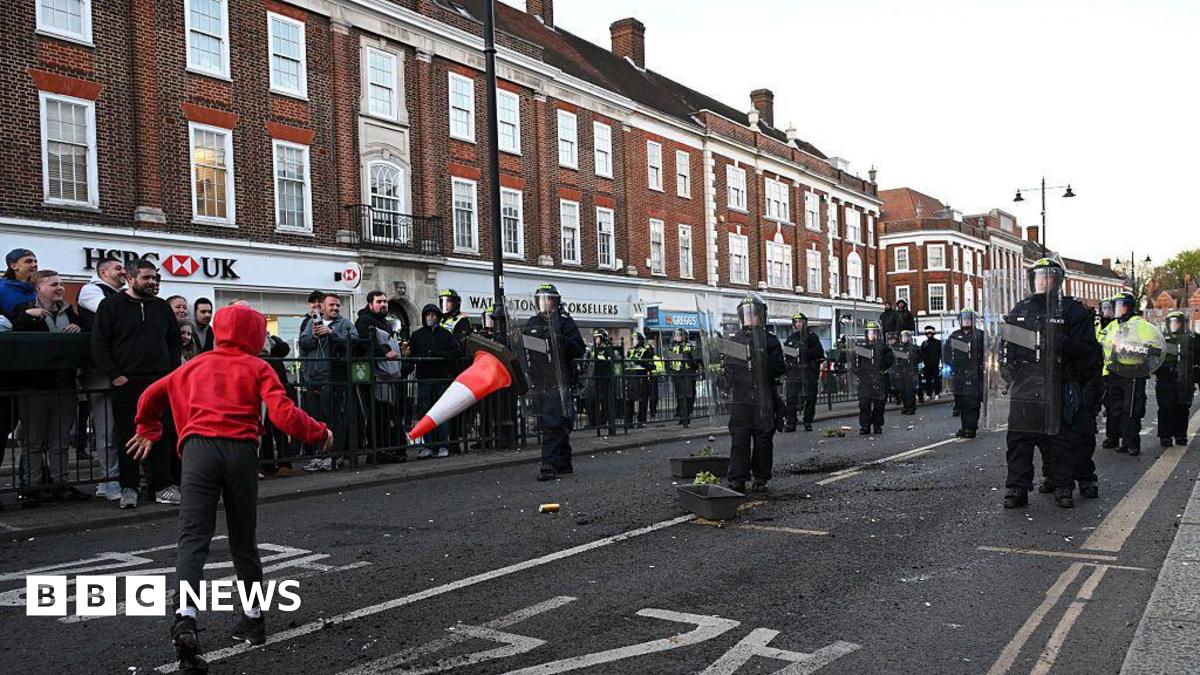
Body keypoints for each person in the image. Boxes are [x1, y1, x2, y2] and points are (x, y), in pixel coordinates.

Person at [125, 303, 332, 673]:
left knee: (192, 539)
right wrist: (319, 433)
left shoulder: (191, 366)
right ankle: (254, 620)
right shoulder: (258, 366)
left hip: (197, 451)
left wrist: (148, 428)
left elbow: (149, 396)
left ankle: (186, 619)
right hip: (240, 451)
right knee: (242, 540)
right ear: (253, 335)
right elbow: (284, 414)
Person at [1000, 258, 1100, 509]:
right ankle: (1017, 487)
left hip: (1059, 382)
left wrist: (1060, 342)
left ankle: (1063, 485)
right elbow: (1007, 345)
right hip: (1025, 382)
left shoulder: (1072, 310)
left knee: (1059, 437)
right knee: (1019, 438)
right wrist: (1005, 367)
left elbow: (1090, 353)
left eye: (1049, 275)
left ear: (1058, 280)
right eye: (1039, 276)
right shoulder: (1020, 309)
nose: (1043, 280)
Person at [92, 259, 182, 508]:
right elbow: (99, 344)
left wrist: (172, 374)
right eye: (146, 278)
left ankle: (161, 486)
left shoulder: (162, 308)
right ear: (130, 279)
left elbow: (173, 343)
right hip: (127, 382)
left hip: (160, 382)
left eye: (155, 278)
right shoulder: (110, 306)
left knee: (162, 435)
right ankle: (129, 487)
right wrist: (115, 375)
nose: (152, 282)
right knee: (128, 436)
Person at [11, 270, 88, 506]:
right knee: (33, 442)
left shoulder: (70, 313)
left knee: (61, 440)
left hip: (65, 386)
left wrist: (78, 330)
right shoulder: (22, 310)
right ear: (38, 288)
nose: (60, 288)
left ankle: (60, 484)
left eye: (62, 283)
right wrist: (29, 317)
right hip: (34, 387)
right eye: (54, 284)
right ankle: (32, 488)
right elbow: (16, 339)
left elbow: (84, 339)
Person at [74, 256, 127, 499]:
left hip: (125, 368)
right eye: (118, 268)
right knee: (106, 430)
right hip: (101, 370)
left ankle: (123, 477)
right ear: (103, 272)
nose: (123, 272)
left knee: (124, 427)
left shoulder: (123, 293)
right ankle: (109, 481)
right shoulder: (90, 290)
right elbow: (110, 313)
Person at [723, 295, 786, 493]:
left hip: (763, 398)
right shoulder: (735, 340)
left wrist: (764, 361)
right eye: (747, 314)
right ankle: (737, 478)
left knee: (763, 441)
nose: (750, 317)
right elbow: (728, 370)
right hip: (741, 399)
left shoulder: (770, 341)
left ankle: (760, 477)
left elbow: (779, 369)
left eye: (754, 314)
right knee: (739, 439)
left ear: (761, 315)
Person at [524, 284, 585, 481]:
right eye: (541, 299)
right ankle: (564, 461)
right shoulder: (533, 322)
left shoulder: (565, 322)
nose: (545, 303)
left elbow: (578, 348)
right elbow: (528, 348)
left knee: (553, 422)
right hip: (539, 379)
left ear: (555, 302)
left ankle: (548, 463)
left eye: (548, 299)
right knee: (553, 421)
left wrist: (558, 339)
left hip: (560, 379)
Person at [298, 293, 358, 470]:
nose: (335, 308)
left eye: (338, 305)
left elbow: (355, 341)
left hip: (333, 377)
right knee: (315, 419)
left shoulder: (345, 324)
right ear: (322, 307)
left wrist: (332, 333)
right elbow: (303, 342)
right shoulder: (311, 322)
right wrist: (314, 337)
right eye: (331, 305)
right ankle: (319, 455)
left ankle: (334, 456)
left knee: (332, 417)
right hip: (313, 377)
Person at [1101, 292, 1157, 456]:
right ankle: (1119, 440)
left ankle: (1131, 443)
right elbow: (1103, 345)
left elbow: (1153, 348)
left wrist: (1135, 351)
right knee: (1114, 408)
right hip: (1114, 371)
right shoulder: (1113, 326)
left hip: (1133, 373)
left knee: (1131, 409)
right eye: (1116, 306)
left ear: (1130, 307)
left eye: (1121, 305)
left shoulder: (1140, 324)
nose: (1118, 309)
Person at [403, 304, 460, 459]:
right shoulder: (417, 335)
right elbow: (411, 354)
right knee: (425, 413)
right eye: (428, 315)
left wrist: (439, 354)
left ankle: (442, 445)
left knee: (441, 413)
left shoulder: (445, 334)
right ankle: (428, 446)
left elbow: (455, 351)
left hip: (441, 378)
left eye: (434, 315)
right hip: (425, 378)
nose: (431, 318)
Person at [355, 291, 404, 456]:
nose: (383, 304)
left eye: (385, 301)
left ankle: (383, 449)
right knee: (377, 415)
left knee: (384, 415)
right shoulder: (364, 321)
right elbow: (366, 345)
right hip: (375, 376)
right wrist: (384, 353)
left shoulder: (385, 323)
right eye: (379, 302)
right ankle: (376, 451)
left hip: (387, 376)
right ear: (370, 304)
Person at [1156, 311, 1199, 447]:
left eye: (1177, 322)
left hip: (1185, 378)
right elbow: (1155, 360)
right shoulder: (1161, 339)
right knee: (1166, 408)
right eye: (1172, 322)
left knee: (1182, 408)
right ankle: (1165, 436)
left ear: (1183, 324)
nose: (1174, 325)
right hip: (1166, 378)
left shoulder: (1192, 339)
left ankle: (1181, 435)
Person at [945, 309, 985, 438]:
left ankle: (971, 428)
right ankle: (964, 427)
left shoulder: (980, 335)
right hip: (958, 374)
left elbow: (986, 353)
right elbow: (946, 352)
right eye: (964, 319)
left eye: (969, 319)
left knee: (972, 402)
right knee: (961, 402)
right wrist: (951, 363)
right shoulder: (954, 335)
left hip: (974, 374)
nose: (966, 321)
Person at [782, 313, 824, 432]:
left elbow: (819, 353)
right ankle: (791, 422)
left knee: (810, 398)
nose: (798, 324)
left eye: (800, 322)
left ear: (805, 323)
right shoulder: (791, 337)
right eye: (796, 322)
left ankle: (808, 421)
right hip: (794, 372)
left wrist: (805, 352)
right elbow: (786, 353)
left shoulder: (812, 337)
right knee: (791, 397)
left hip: (808, 372)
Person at [853, 320, 894, 435]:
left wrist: (881, 362)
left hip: (879, 379)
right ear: (866, 334)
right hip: (865, 380)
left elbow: (890, 360)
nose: (872, 335)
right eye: (870, 333)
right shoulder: (862, 348)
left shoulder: (883, 347)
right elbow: (855, 363)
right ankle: (865, 426)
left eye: (874, 333)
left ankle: (877, 425)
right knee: (864, 404)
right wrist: (860, 373)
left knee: (879, 405)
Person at [585, 328, 618, 435]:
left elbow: (611, 359)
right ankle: (593, 421)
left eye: (597, 337)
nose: (596, 339)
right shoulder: (594, 348)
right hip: (593, 377)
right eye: (595, 338)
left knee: (604, 401)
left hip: (603, 377)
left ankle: (603, 421)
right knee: (591, 400)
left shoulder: (607, 348)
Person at [666, 327, 700, 429]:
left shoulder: (689, 346)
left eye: (678, 335)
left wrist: (686, 357)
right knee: (679, 397)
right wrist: (670, 370)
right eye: (675, 335)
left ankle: (686, 417)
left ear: (684, 336)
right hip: (677, 375)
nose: (676, 337)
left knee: (687, 396)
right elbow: (668, 359)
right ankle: (682, 417)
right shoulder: (673, 347)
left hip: (687, 374)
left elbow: (695, 361)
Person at [624, 332, 654, 428]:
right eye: (633, 339)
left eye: (635, 339)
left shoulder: (647, 350)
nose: (634, 341)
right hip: (631, 377)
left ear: (640, 340)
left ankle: (641, 421)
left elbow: (651, 365)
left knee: (642, 401)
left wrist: (639, 361)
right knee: (629, 400)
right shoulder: (631, 350)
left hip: (642, 377)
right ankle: (629, 422)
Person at [0, 248, 38, 319]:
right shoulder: (1, 289)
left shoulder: (40, 288)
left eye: (35, 261)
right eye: (28, 261)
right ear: (13, 266)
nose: (34, 265)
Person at [892, 330, 919, 415]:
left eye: (906, 336)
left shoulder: (913, 347)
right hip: (901, 372)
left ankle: (911, 407)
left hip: (910, 372)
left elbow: (915, 358)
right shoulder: (898, 347)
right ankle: (906, 406)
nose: (904, 338)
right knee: (903, 390)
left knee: (910, 391)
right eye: (903, 336)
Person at [920, 326, 943, 399]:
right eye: (927, 333)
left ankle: (937, 393)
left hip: (935, 364)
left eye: (930, 333)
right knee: (928, 380)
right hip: (927, 365)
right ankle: (929, 394)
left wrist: (942, 363)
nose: (929, 334)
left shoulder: (938, 343)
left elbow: (941, 354)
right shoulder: (924, 343)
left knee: (936, 379)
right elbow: (921, 355)